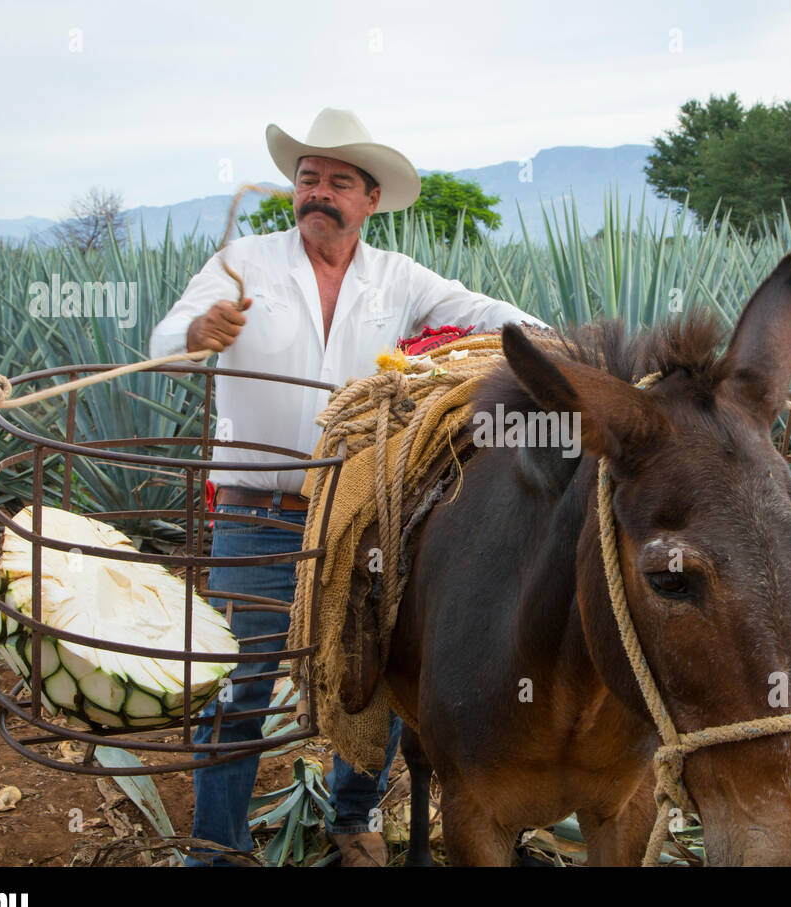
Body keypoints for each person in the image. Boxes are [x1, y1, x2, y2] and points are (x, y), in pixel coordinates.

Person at [148, 108, 549, 866]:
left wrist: (562, 352)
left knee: (370, 673)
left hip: (358, 511)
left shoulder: (395, 278)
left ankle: (352, 819)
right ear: (292, 190)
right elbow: (162, 345)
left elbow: (482, 313)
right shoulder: (244, 263)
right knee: (239, 687)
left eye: (338, 182)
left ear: (369, 199)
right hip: (255, 511)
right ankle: (216, 849)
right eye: (307, 179)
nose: (319, 193)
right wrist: (196, 335)